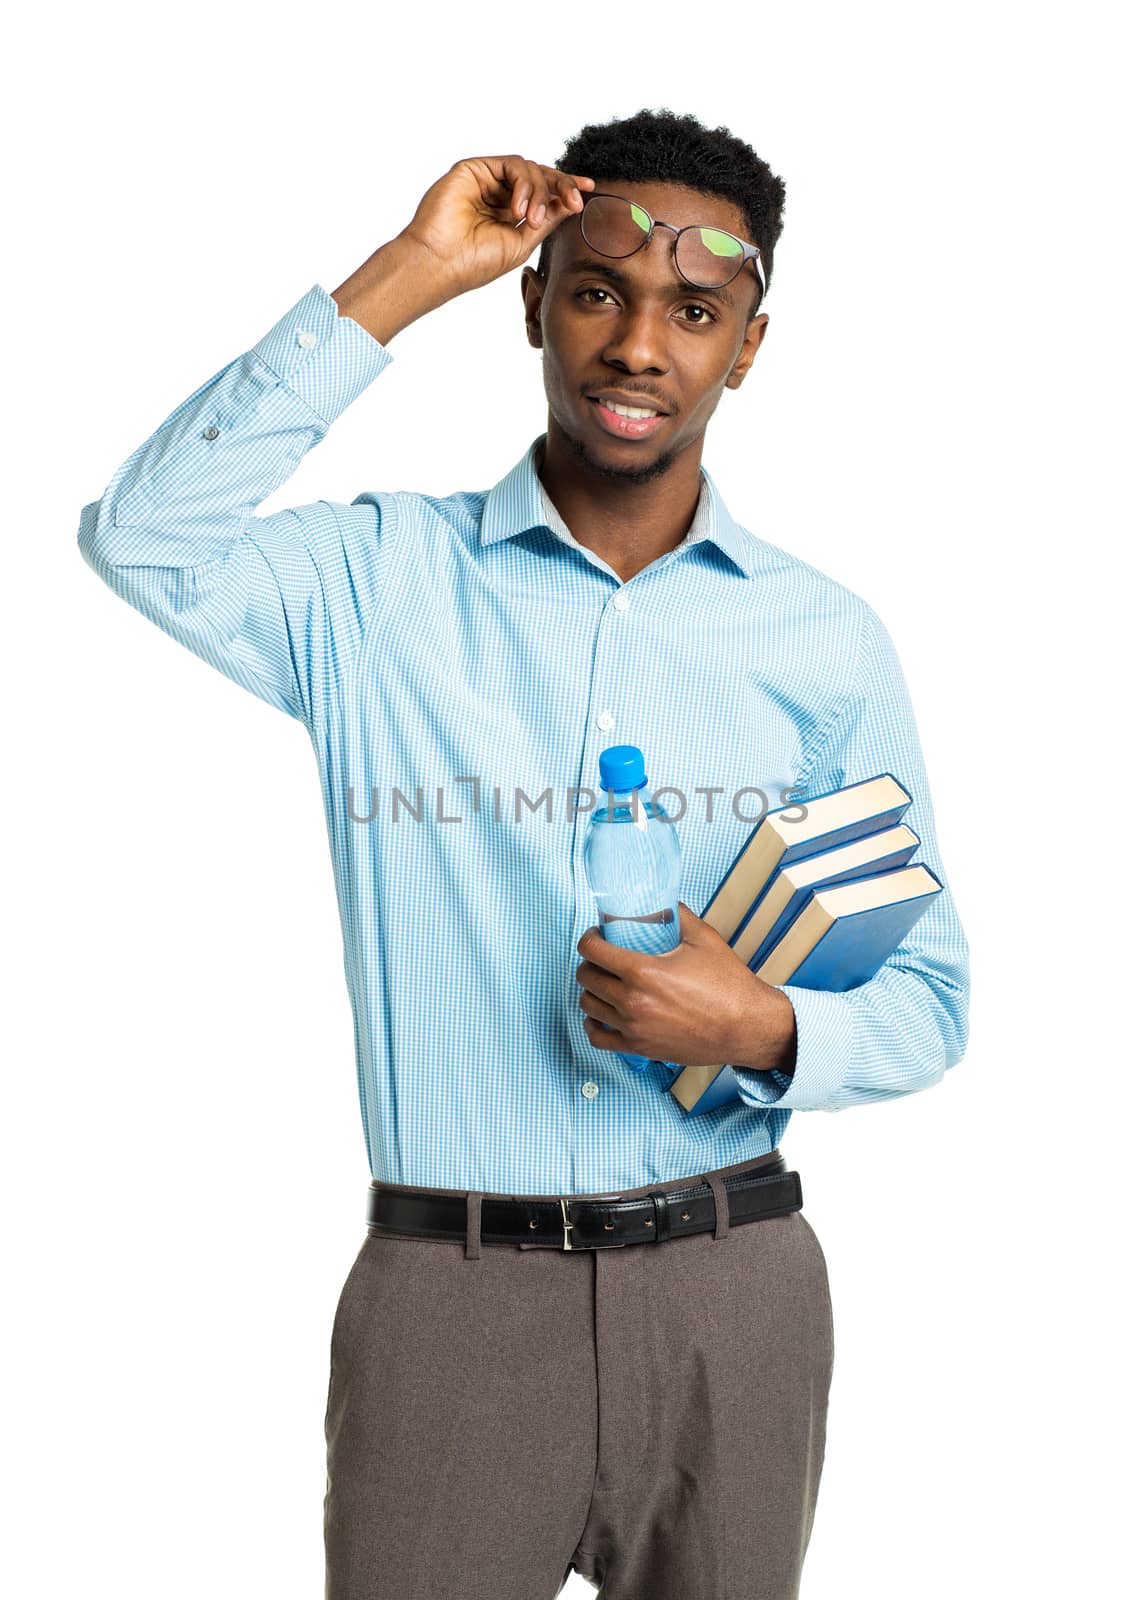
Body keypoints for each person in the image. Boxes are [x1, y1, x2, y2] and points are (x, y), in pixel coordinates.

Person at [77, 108, 970, 1600]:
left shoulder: (825, 641)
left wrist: (759, 1024)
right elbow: (144, 537)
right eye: (598, 290)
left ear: (748, 346)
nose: (639, 344)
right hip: (453, 1303)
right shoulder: (371, 583)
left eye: (696, 309)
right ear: (536, 305)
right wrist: (405, 273)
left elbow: (933, 996)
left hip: (733, 1295)